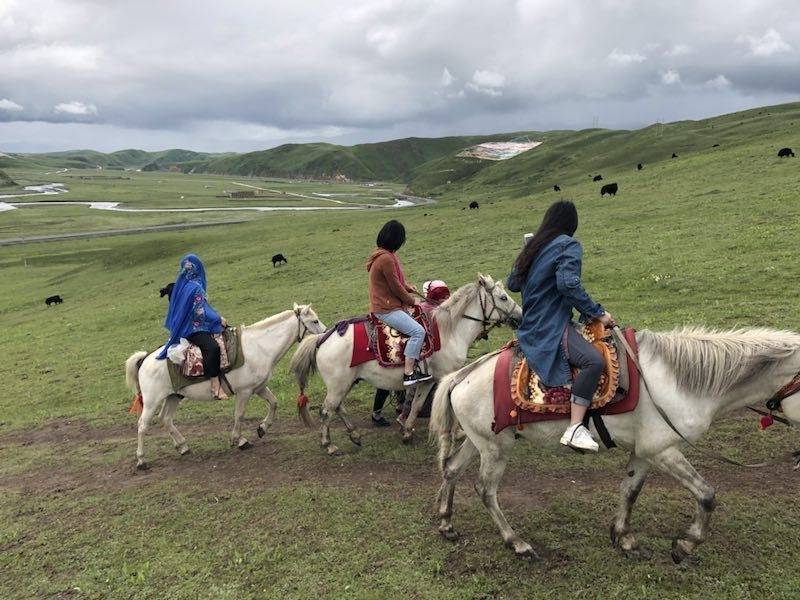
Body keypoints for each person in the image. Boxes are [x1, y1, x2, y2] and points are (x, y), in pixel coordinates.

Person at [507, 200, 614, 452]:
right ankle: (575, 426)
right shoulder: (568, 244)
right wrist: (598, 313)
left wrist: (526, 252)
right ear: (571, 224)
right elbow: (568, 285)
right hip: (551, 324)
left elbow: (512, 283)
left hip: (530, 325)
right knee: (593, 361)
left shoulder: (535, 247)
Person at [371, 279, 450, 426]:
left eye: (446, 297)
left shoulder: (426, 308)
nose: (445, 300)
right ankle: (400, 413)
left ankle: (399, 407)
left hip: (407, 347)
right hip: (407, 349)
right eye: (442, 297)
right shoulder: (426, 310)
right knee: (399, 383)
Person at [367, 220, 432, 387]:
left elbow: (394, 281)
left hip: (387, 305)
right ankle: (409, 373)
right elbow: (395, 287)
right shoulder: (386, 259)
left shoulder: (384, 255)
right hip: (386, 308)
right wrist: (412, 301)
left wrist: (408, 287)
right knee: (418, 331)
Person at [157, 253, 230, 400]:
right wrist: (217, 318)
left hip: (188, 325)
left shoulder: (183, 285)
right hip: (194, 329)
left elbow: (202, 307)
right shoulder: (195, 287)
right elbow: (199, 312)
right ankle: (215, 385)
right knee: (212, 347)